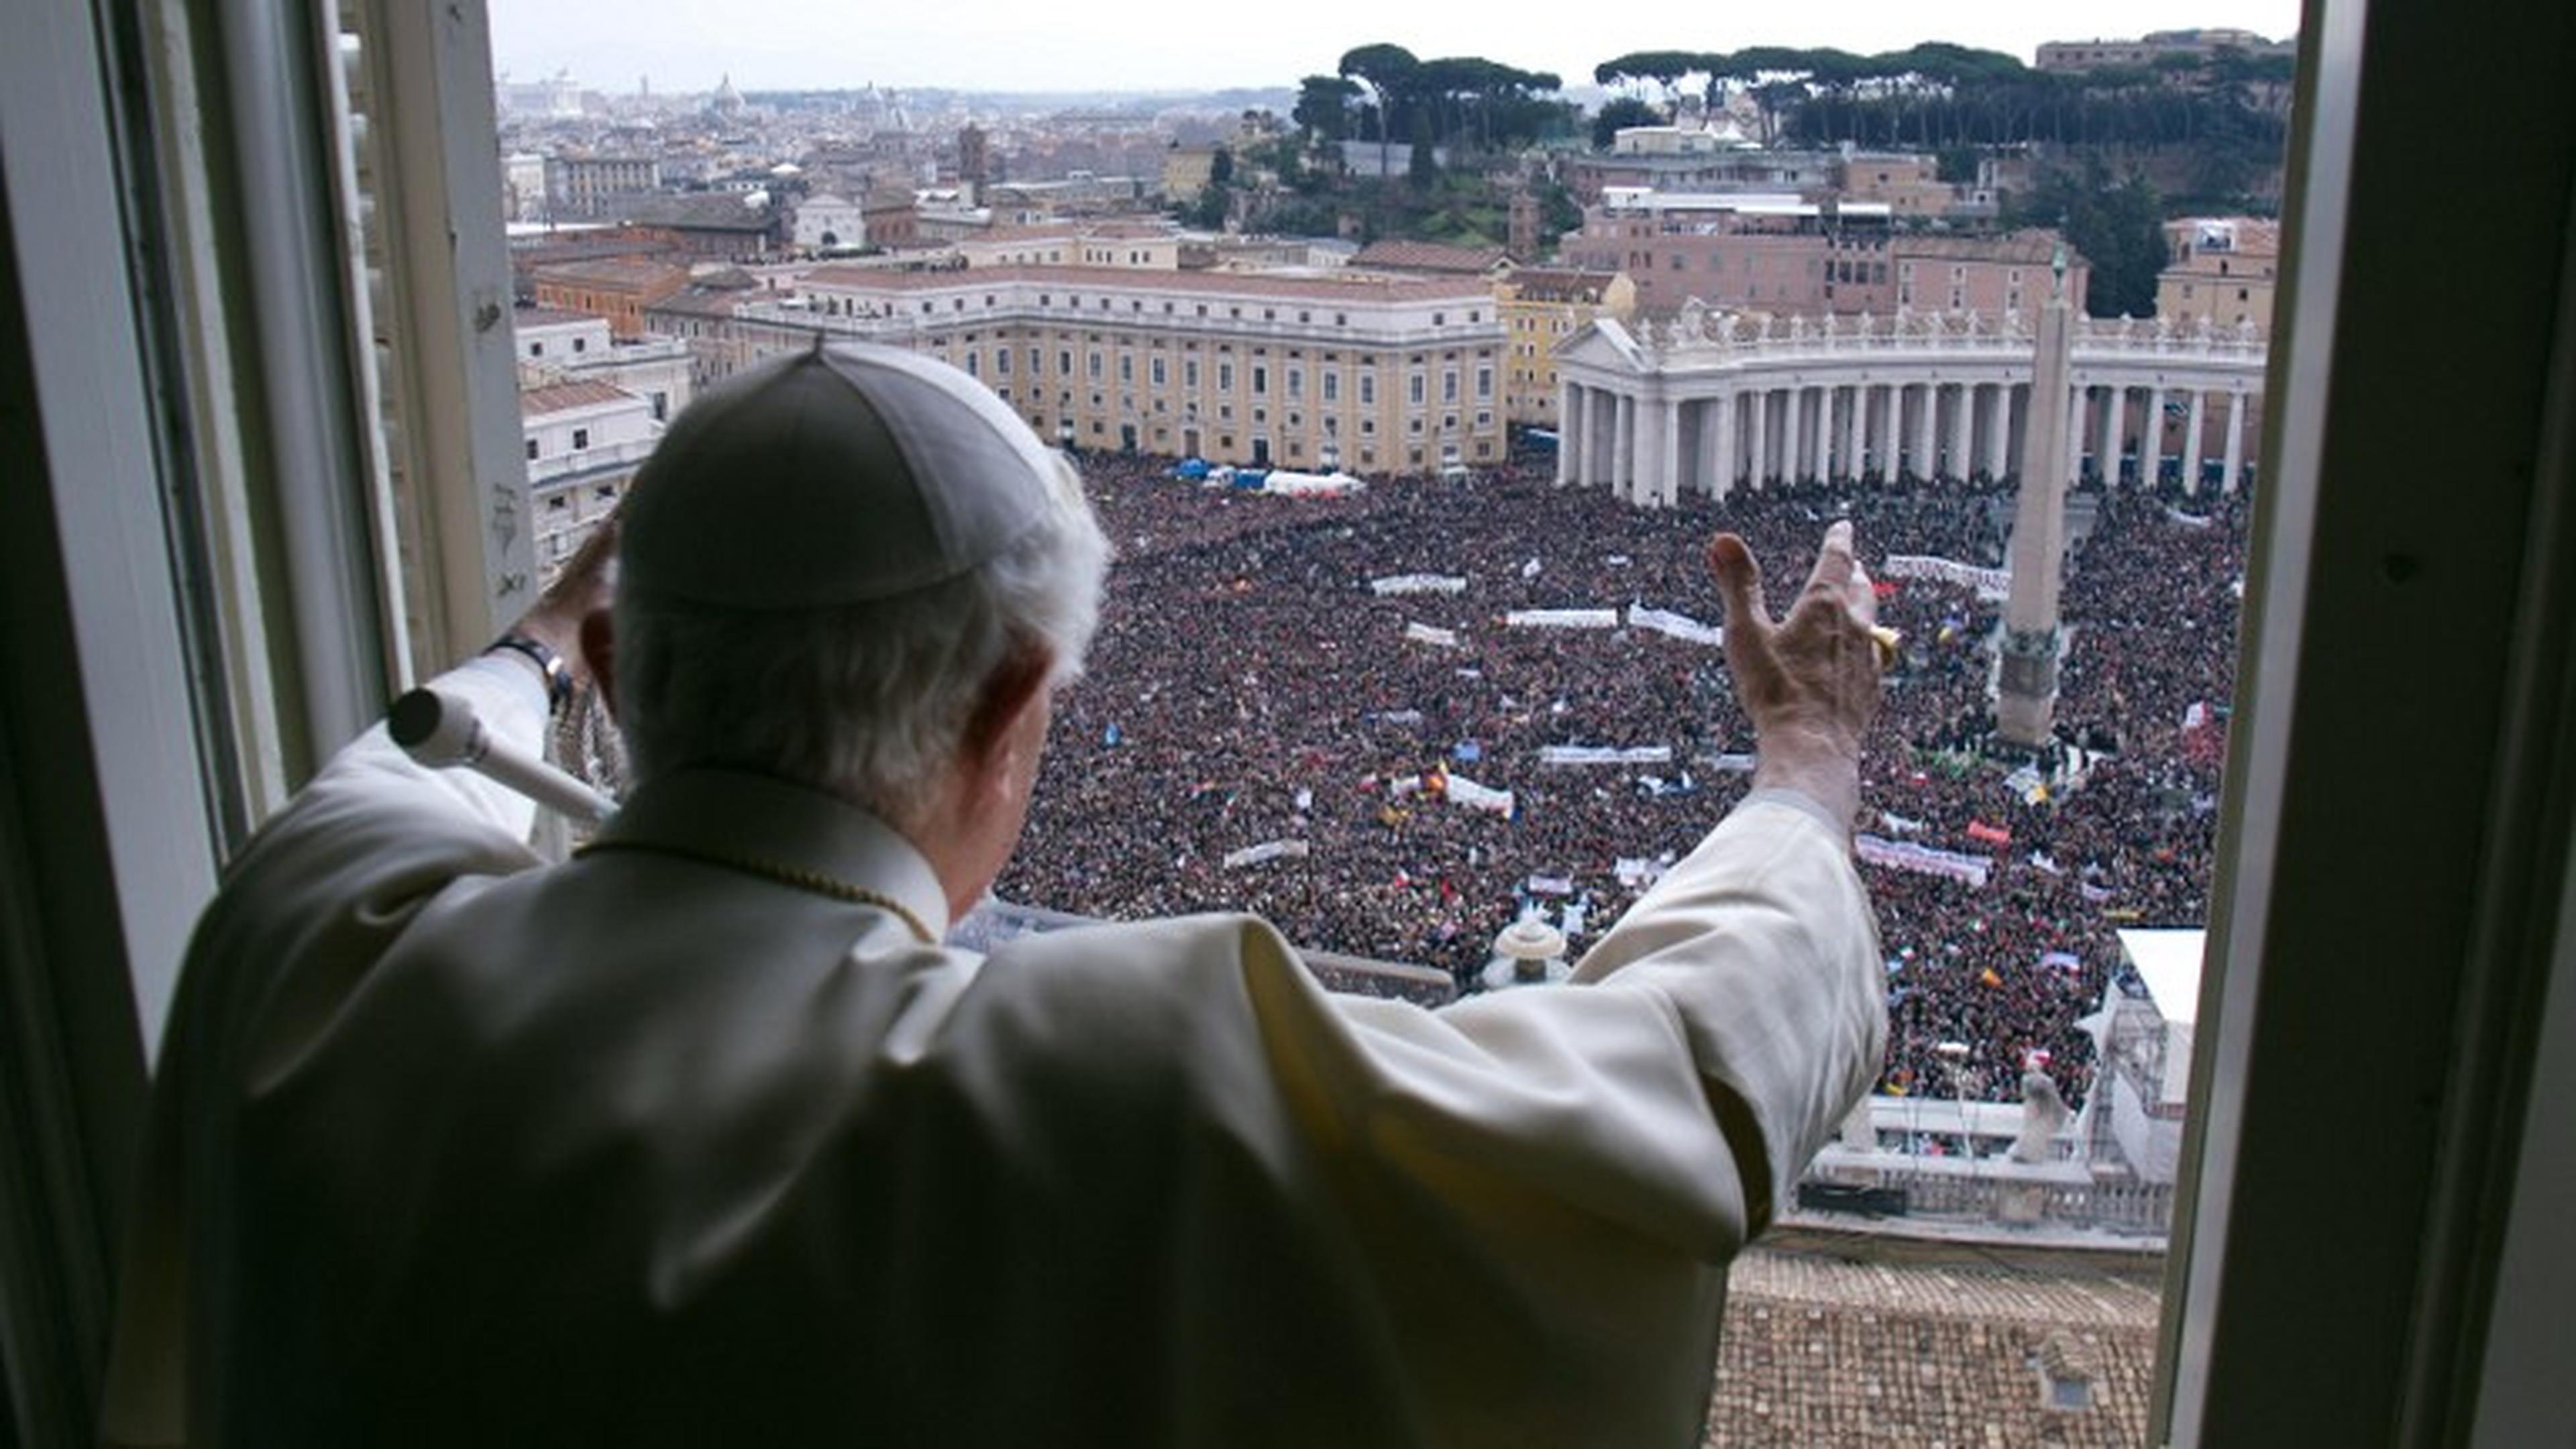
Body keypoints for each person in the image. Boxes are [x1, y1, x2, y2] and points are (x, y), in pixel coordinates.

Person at [101, 341, 1887, 1447]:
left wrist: (532, 648)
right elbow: (1686, 1096)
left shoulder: (309, 940)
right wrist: (1804, 773)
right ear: (1013, 712)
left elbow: (400, 762)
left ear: (628, 680)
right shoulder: (1122, 1087)